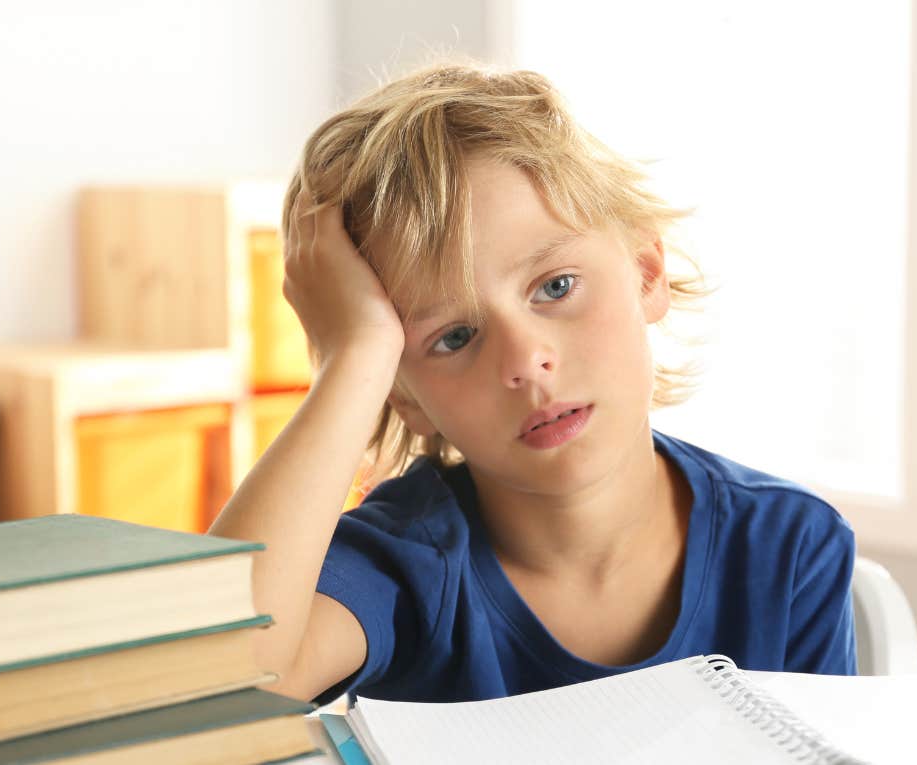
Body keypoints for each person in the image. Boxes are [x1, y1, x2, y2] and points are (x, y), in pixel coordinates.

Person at [208, 61, 856, 706]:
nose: (524, 360)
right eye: (454, 337)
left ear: (646, 271)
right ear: (403, 396)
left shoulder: (789, 547)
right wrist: (356, 356)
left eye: (555, 286)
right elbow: (212, 684)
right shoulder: (407, 564)